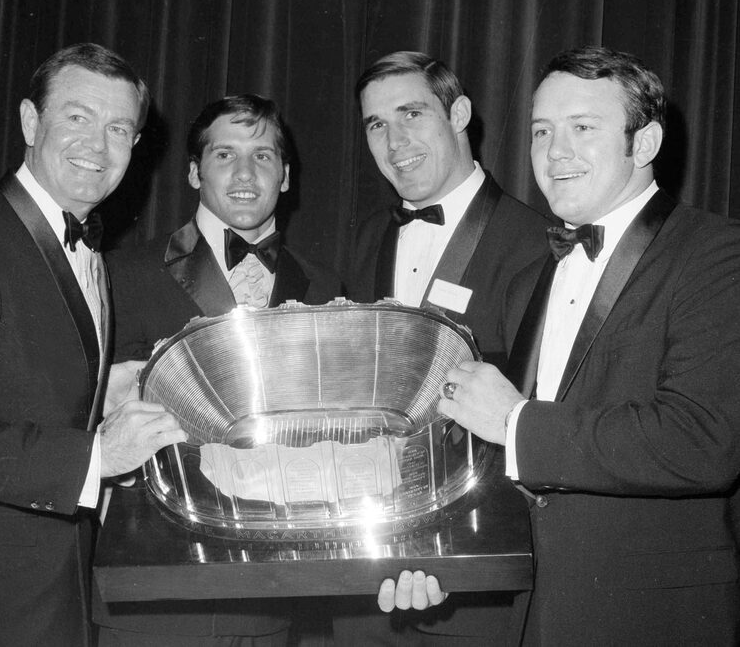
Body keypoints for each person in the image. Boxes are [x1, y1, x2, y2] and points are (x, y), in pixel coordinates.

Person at [388, 46, 740, 645]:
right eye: (541, 131)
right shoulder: (535, 274)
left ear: (646, 144)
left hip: (647, 618)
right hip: (525, 612)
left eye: (583, 128)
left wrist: (515, 421)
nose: (555, 153)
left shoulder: (716, 252)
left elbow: (704, 439)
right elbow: (507, 465)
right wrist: (440, 558)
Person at [0, 43, 187, 645]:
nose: (97, 145)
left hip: (63, 579)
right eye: (77, 117)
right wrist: (100, 457)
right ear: (31, 122)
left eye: (119, 128)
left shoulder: (94, 254)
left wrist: (107, 389)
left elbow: (32, 386)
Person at [94, 93, 342, 646]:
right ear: (192, 172)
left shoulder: (326, 287)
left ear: (285, 175)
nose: (246, 172)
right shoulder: (123, 274)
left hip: (275, 594)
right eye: (225, 155)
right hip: (156, 599)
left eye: (263, 155)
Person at [334, 51, 552, 646]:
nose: (394, 139)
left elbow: (533, 430)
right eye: (376, 124)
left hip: (469, 583)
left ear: (458, 113)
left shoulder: (536, 242)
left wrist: (442, 556)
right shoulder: (368, 238)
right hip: (364, 578)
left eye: (411, 113)